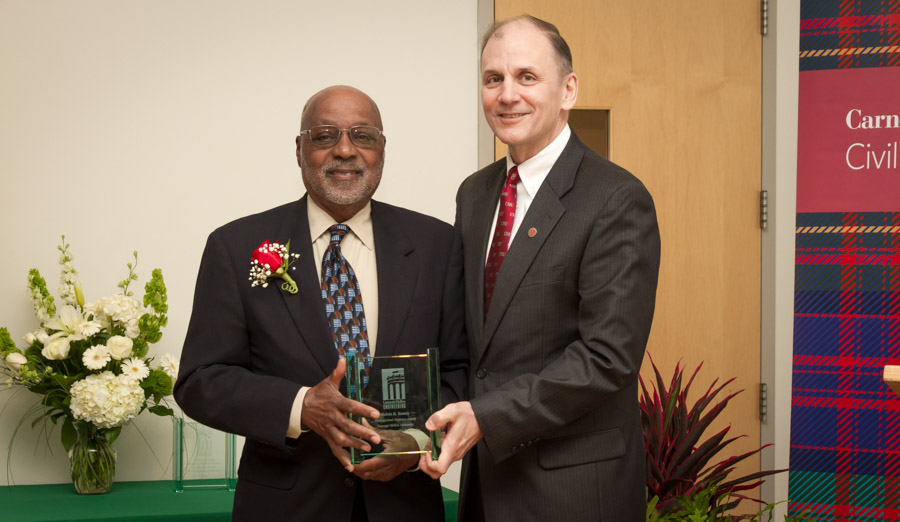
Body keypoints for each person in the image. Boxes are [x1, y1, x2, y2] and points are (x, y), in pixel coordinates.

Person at [175, 85, 467, 521]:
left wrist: (414, 444)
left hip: (405, 505)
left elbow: (461, 372)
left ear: (382, 149)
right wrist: (301, 406)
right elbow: (200, 381)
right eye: (326, 135)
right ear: (299, 149)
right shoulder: (235, 247)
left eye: (363, 136)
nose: (345, 150)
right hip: (285, 506)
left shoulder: (437, 245)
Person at [419, 15, 661, 521]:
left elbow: (607, 358)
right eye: (493, 79)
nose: (508, 95)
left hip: (572, 489)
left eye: (527, 77)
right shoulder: (476, 193)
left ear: (568, 89)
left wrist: (486, 416)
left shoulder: (615, 197)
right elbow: (475, 339)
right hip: (488, 483)